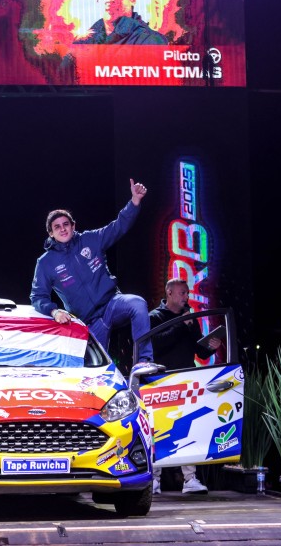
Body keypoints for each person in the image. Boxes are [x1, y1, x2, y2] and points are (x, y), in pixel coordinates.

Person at [30, 178, 151, 365]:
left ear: (73, 226)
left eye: (66, 224)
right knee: (92, 368)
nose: (63, 229)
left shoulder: (90, 240)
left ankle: (144, 362)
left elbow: (118, 227)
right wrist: (54, 312)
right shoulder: (45, 263)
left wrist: (134, 201)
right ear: (51, 233)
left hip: (112, 304)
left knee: (137, 304)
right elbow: (38, 297)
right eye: (57, 227)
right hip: (88, 321)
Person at [146, 278, 220, 495]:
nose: (186, 297)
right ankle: (154, 480)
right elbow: (156, 345)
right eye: (182, 293)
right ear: (169, 293)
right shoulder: (154, 317)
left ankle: (190, 479)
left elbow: (200, 351)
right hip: (162, 382)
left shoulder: (189, 318)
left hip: (187, 381)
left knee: (189, 429)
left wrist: (211, 347)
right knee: (159, 430)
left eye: (187, 293)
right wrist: (181, 324)